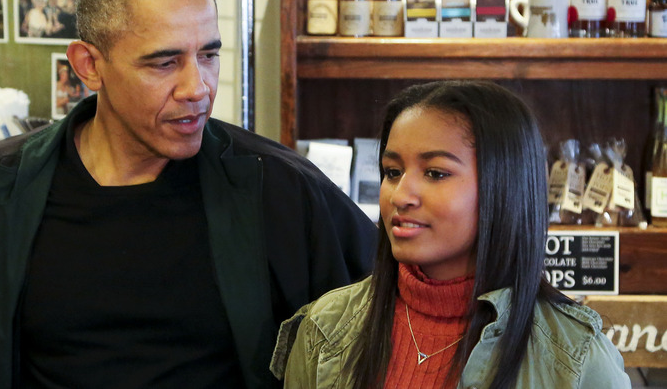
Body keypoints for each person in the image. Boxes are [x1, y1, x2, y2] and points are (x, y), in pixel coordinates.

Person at [0, 0, 376, 388]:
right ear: (89, 65)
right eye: (164, 63)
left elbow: (391, 304)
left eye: (208, 54)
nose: (198, 87)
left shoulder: (280, 188)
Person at [270, 81, 630, 389]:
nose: (400, 195)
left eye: (436, 173)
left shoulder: (576, 358)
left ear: (503, 186)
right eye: (392, 171)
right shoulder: (325, 327)